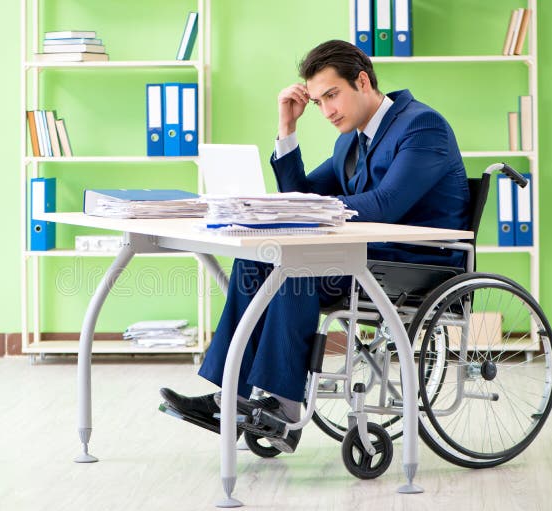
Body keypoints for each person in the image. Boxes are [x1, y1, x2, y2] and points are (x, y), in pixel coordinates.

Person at [160, 39, 470, 453]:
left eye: (332, 95)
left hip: (415, 264)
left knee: (295, 269)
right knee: (254, 264)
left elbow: (387, 204)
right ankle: (230, 399)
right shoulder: (350, 141)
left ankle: (285, 410)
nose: (326, 111)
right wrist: (287, 129)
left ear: (362, 81)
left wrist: (312, 211)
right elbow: (301, 196)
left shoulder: (421, 125)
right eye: (319, 101)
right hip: (364, 257)